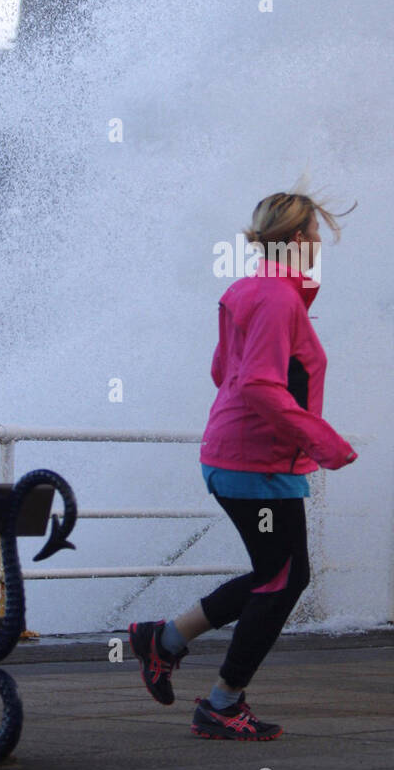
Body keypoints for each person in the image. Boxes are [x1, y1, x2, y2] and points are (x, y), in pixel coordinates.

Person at [128, 184, 358, 740]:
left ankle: (167, 639)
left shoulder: (249, 291)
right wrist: (323, 441)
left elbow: (221, 372)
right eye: (317, 235)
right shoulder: (279, 300)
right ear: (300, 239)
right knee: (283, 579)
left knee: (275, 574)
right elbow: (255, 383)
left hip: (238, 457)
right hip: (255, 466)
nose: (320, 244)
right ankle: (222, 703)